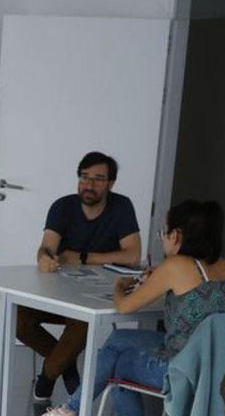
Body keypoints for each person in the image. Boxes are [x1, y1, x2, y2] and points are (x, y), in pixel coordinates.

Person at [25, 200, 225, 416]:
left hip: (183, 372)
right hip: (217, 368)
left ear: (176, 235)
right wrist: (160, 280)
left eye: (164, 233)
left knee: (118, 364)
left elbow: (125, 307)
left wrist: (120, 287)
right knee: (119, 341)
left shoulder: (176, 265)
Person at [20, 152, 142, 402]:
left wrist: (84, 257)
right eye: (84, 177)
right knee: (19, 320)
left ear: (111, 183)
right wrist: (44, 257)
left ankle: (47, 377)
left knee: (82, 320)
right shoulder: (62, 206)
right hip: (57, 291)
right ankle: (65, 365)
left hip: (94, 295)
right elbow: (47, 247)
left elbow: (133, 255)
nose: (89, 185)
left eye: (98, 179)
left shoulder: (121, 206)